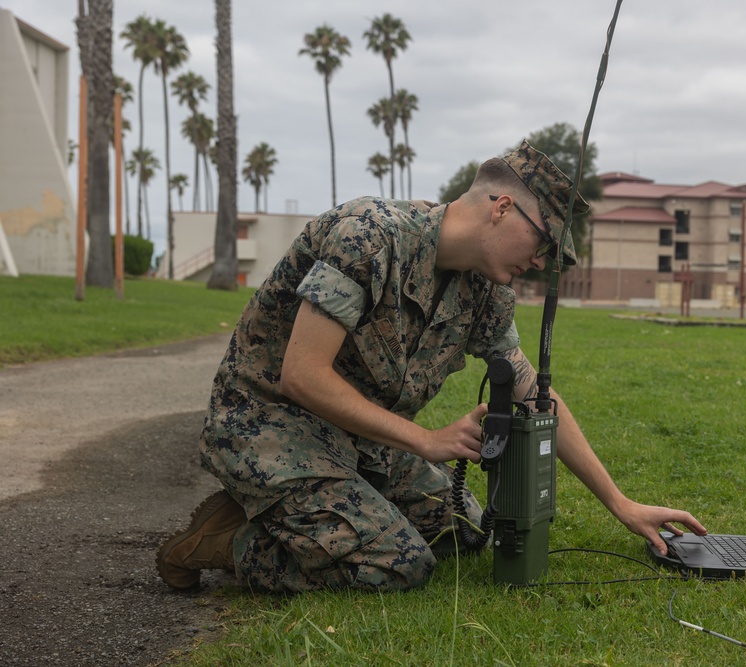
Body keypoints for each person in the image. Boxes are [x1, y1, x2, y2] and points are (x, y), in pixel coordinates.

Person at [156, 140, 706, 593]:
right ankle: (225, 540)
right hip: (268, 425)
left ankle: (305, 510)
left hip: (358, 439)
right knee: (396, 562)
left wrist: (621, 503)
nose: (540, 263)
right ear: (502, 207)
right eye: (544, 244)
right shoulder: (369, 236)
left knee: (465, 531)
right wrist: (424, 439)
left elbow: (533, 390)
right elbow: (302, 375)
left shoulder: (487, 292)